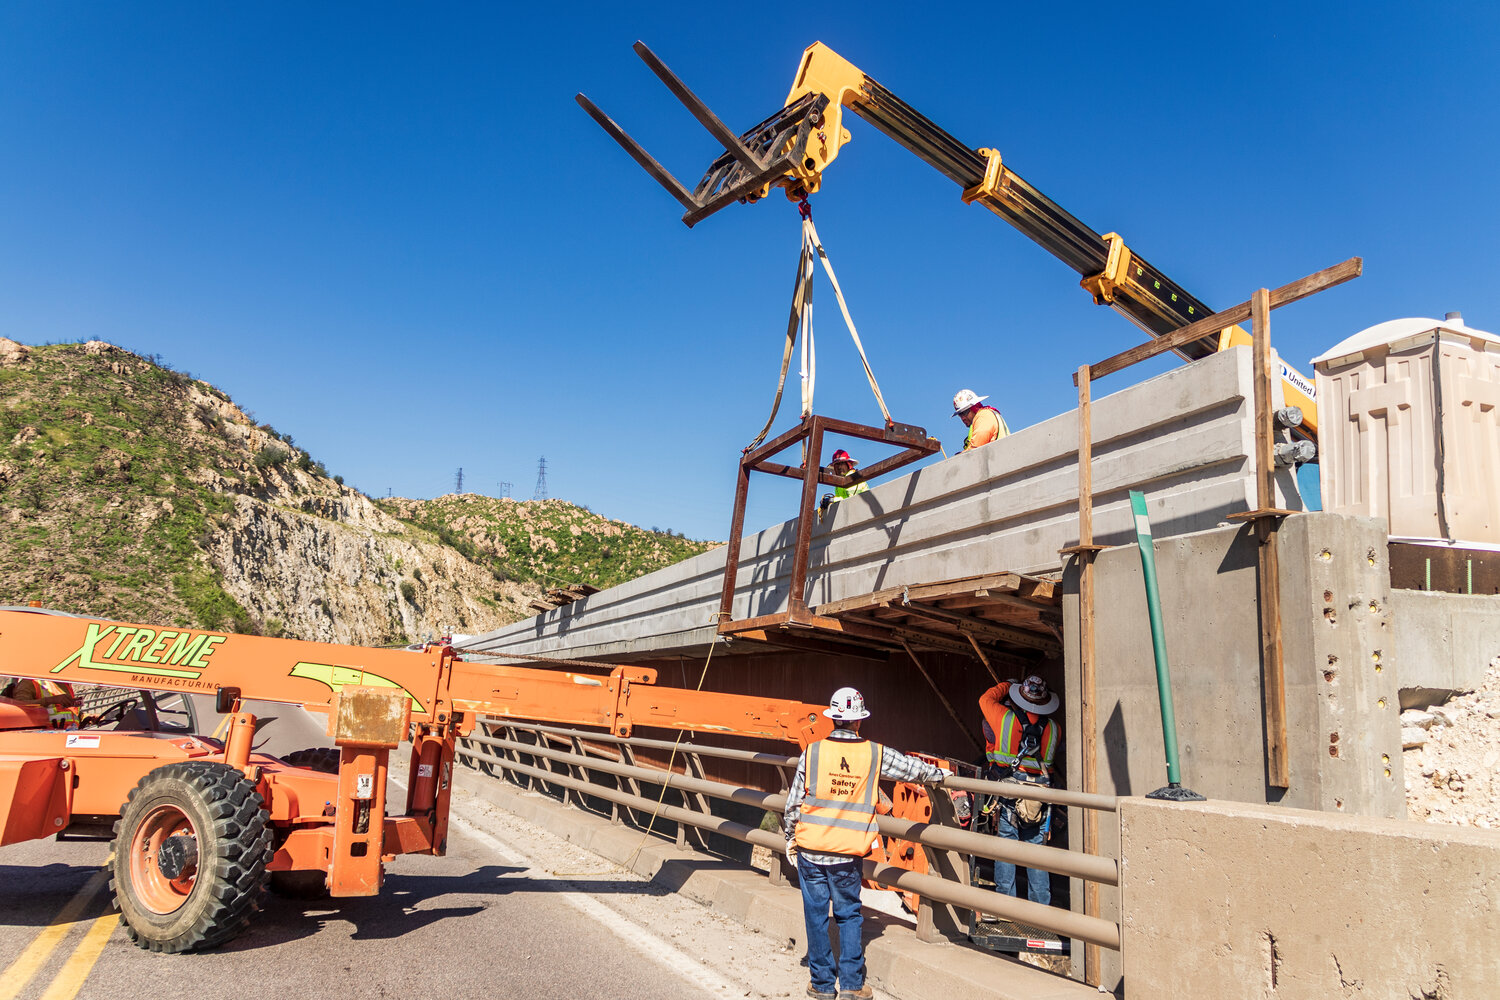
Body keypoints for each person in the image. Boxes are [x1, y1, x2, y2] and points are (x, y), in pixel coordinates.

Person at [784, 686, 949, 1000]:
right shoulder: (874, 753)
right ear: (859, 721)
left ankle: (821, 985)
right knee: (849, 914)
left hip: (811, 849)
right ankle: (851, 985)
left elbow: (793, 805)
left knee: (816, 915)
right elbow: (913, 770)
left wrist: (791, 837)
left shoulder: (813, 752)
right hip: (847, 853)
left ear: (832, 719)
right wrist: (939, 775)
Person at [978, 675, 1059, 907]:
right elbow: (1050, 766)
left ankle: (1006, 905)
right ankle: (1041, 908)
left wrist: (1007, 684)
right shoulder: (1054, 728)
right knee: (1036, 851)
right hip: (1040, 796)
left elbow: (985, 699)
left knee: (1006, 847)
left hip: (1011, 791)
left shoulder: (1002, 717)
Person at [1, 676, 82, 729]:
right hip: (44, 738)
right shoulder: (30, 682)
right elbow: (19, 707)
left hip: (68, 736)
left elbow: (68, 712)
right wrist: (51, 700)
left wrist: (83, 717)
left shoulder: (65, 683)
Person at [819, 449, 868, 519]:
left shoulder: (853, 476)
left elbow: (852, 499)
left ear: (848, 465)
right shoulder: (839, 482)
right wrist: (829, 501)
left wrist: (832, 500)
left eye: (841, 464)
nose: (839, 467)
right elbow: (840, 498)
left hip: (861, 512)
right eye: (837, 465)